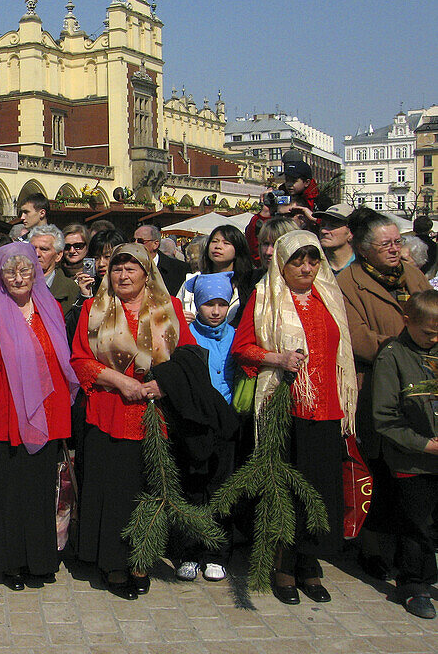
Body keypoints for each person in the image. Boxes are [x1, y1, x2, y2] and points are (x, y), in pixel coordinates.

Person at [231, 230, 358, 605]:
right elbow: (243, 349)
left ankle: (309, 563)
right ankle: (282, 565)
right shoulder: (265, 296)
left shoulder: (329, 296)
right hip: (285, 407)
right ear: (280, 264)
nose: (306, 268)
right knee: (285, 490)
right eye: (297, 261)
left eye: (313, 259)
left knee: (318, 489)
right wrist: (278, 359)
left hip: (326, 407)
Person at [70, 242, 196, 600]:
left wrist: (163, 384)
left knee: (147, 489)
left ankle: (141, 559)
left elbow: (186, 354)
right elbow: (79, 359)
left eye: (132, 269)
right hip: (109, 410)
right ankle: (112, 563)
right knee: (112, 489)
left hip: (155, 414)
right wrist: (120, 380)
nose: (123, 276)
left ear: (146, 272)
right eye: (117, 269)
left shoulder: (169, 308)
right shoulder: (95, 309)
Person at [0, 243, 77, 590]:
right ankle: (8, 564)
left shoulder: (51, 307)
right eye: (10, 272)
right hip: (3, 414)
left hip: (45, 415)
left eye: (25, 270)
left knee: (40, 491)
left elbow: (60, 363)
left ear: (36, 272)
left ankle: (39, 562)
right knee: (6, 492)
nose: (18, 278)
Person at [337, 213, 429, 581]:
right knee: (377, 468)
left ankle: (413, 548)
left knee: (415, 471)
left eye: (397, 242)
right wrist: (406, 352)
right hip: (377, 381)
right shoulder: (349, 282)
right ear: (363, 249)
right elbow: (358, 337)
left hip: (422, 383)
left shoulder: (411, 275)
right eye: (387, 244)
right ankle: (373, 547)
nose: (396, 250)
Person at [368, 291, 438, 619]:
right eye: (428, 332)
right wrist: (426, 445)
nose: (434, 338)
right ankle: (412, 584)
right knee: (415, 524)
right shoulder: (392, 356)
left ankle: (428, 573)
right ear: (408, 322)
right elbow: (385, 417)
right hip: (412, 458)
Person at [174, 271, 239, 582]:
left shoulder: (236, 336)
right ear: (197, 305)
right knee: (192, 487)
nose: (215, 311)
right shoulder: (186, 335)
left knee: (221, 488)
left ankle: (216, 551)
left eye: (221, 304)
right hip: (194, 422)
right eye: (208, 304)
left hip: (225, 422)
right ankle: (189, 550)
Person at [176, 225, 255, 323]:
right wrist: (178, 317)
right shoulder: (193, 281)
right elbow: (175, 311)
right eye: (214, 241)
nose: (218, 247)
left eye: (226, 243)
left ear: (238, 249)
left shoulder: (248, 284)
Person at [29, 224, 80, 330]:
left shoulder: (71, 289)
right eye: (33, 248)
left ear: (58, 256)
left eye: (44, 249)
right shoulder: (17, 285)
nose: (37, 254)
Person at [133, 225, 187, 296]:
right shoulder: (126, 266)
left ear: (155, 244)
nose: (135, 244)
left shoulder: (180, 269)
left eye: (140, 241)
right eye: (133, 240)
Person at [314, 203, 356, 275]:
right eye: (322, 225)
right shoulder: (313, 267)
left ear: (351, 232)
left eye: (333, 226)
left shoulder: (364, 268)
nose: (323, 231)